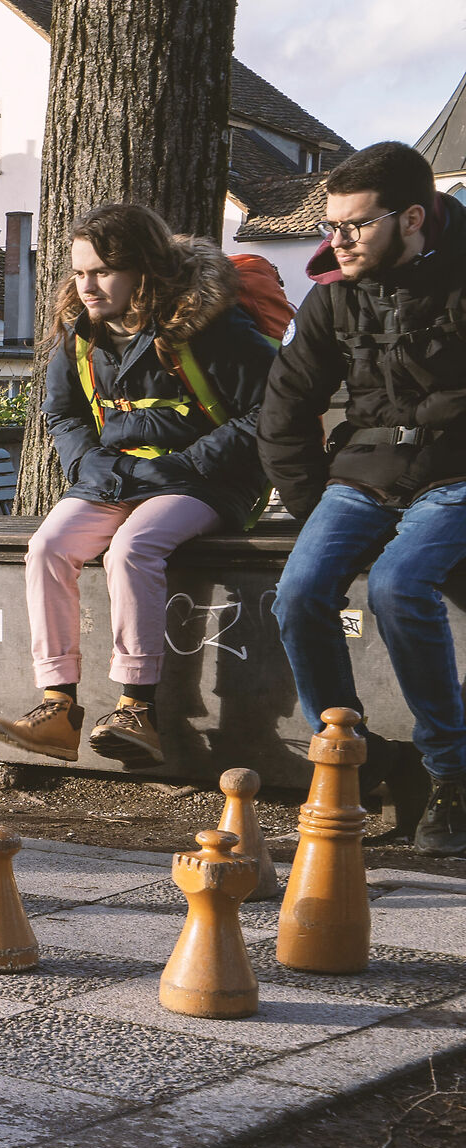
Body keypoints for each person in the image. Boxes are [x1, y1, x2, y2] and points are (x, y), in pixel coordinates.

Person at [0, 203, 275, 768]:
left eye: (102, 272)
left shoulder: (212, 326)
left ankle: (138, 708)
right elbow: (63, 414)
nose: (86, 286)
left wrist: (187, 463)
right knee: (46, 547)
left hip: (207, 482)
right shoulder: (80, 335)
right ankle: (58, 708)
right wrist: (87, 465)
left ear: (143, 270)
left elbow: (266, 411)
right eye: (78, 272)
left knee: (134, 548)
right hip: (114, 476)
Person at [265, 141, 466, 854]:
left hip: (455, 476)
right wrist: (311, 499)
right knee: (297, 593)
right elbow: (285, 406)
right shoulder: (332, 296)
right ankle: (358, 756)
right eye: (331, 225)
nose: (336, 241)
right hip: (361, 477)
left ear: (412, 218)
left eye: (354, 225)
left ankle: (452, 774)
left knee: (397, 585)